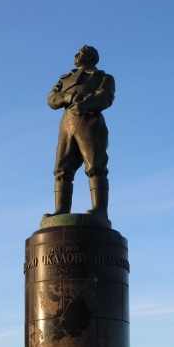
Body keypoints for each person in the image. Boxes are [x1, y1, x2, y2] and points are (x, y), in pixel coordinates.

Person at [45, 45, 115, 219]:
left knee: (95, 166)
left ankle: (100, 210)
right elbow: (52, 99)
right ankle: (61, 211)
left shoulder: (102, 77)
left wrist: (85, 104)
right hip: (67, 125)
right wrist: (68, 97)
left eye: (80, 53)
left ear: (90, 57)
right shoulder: (65, 79)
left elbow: (105, 97)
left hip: (90, 124)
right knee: (61, 169)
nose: (76, 56)